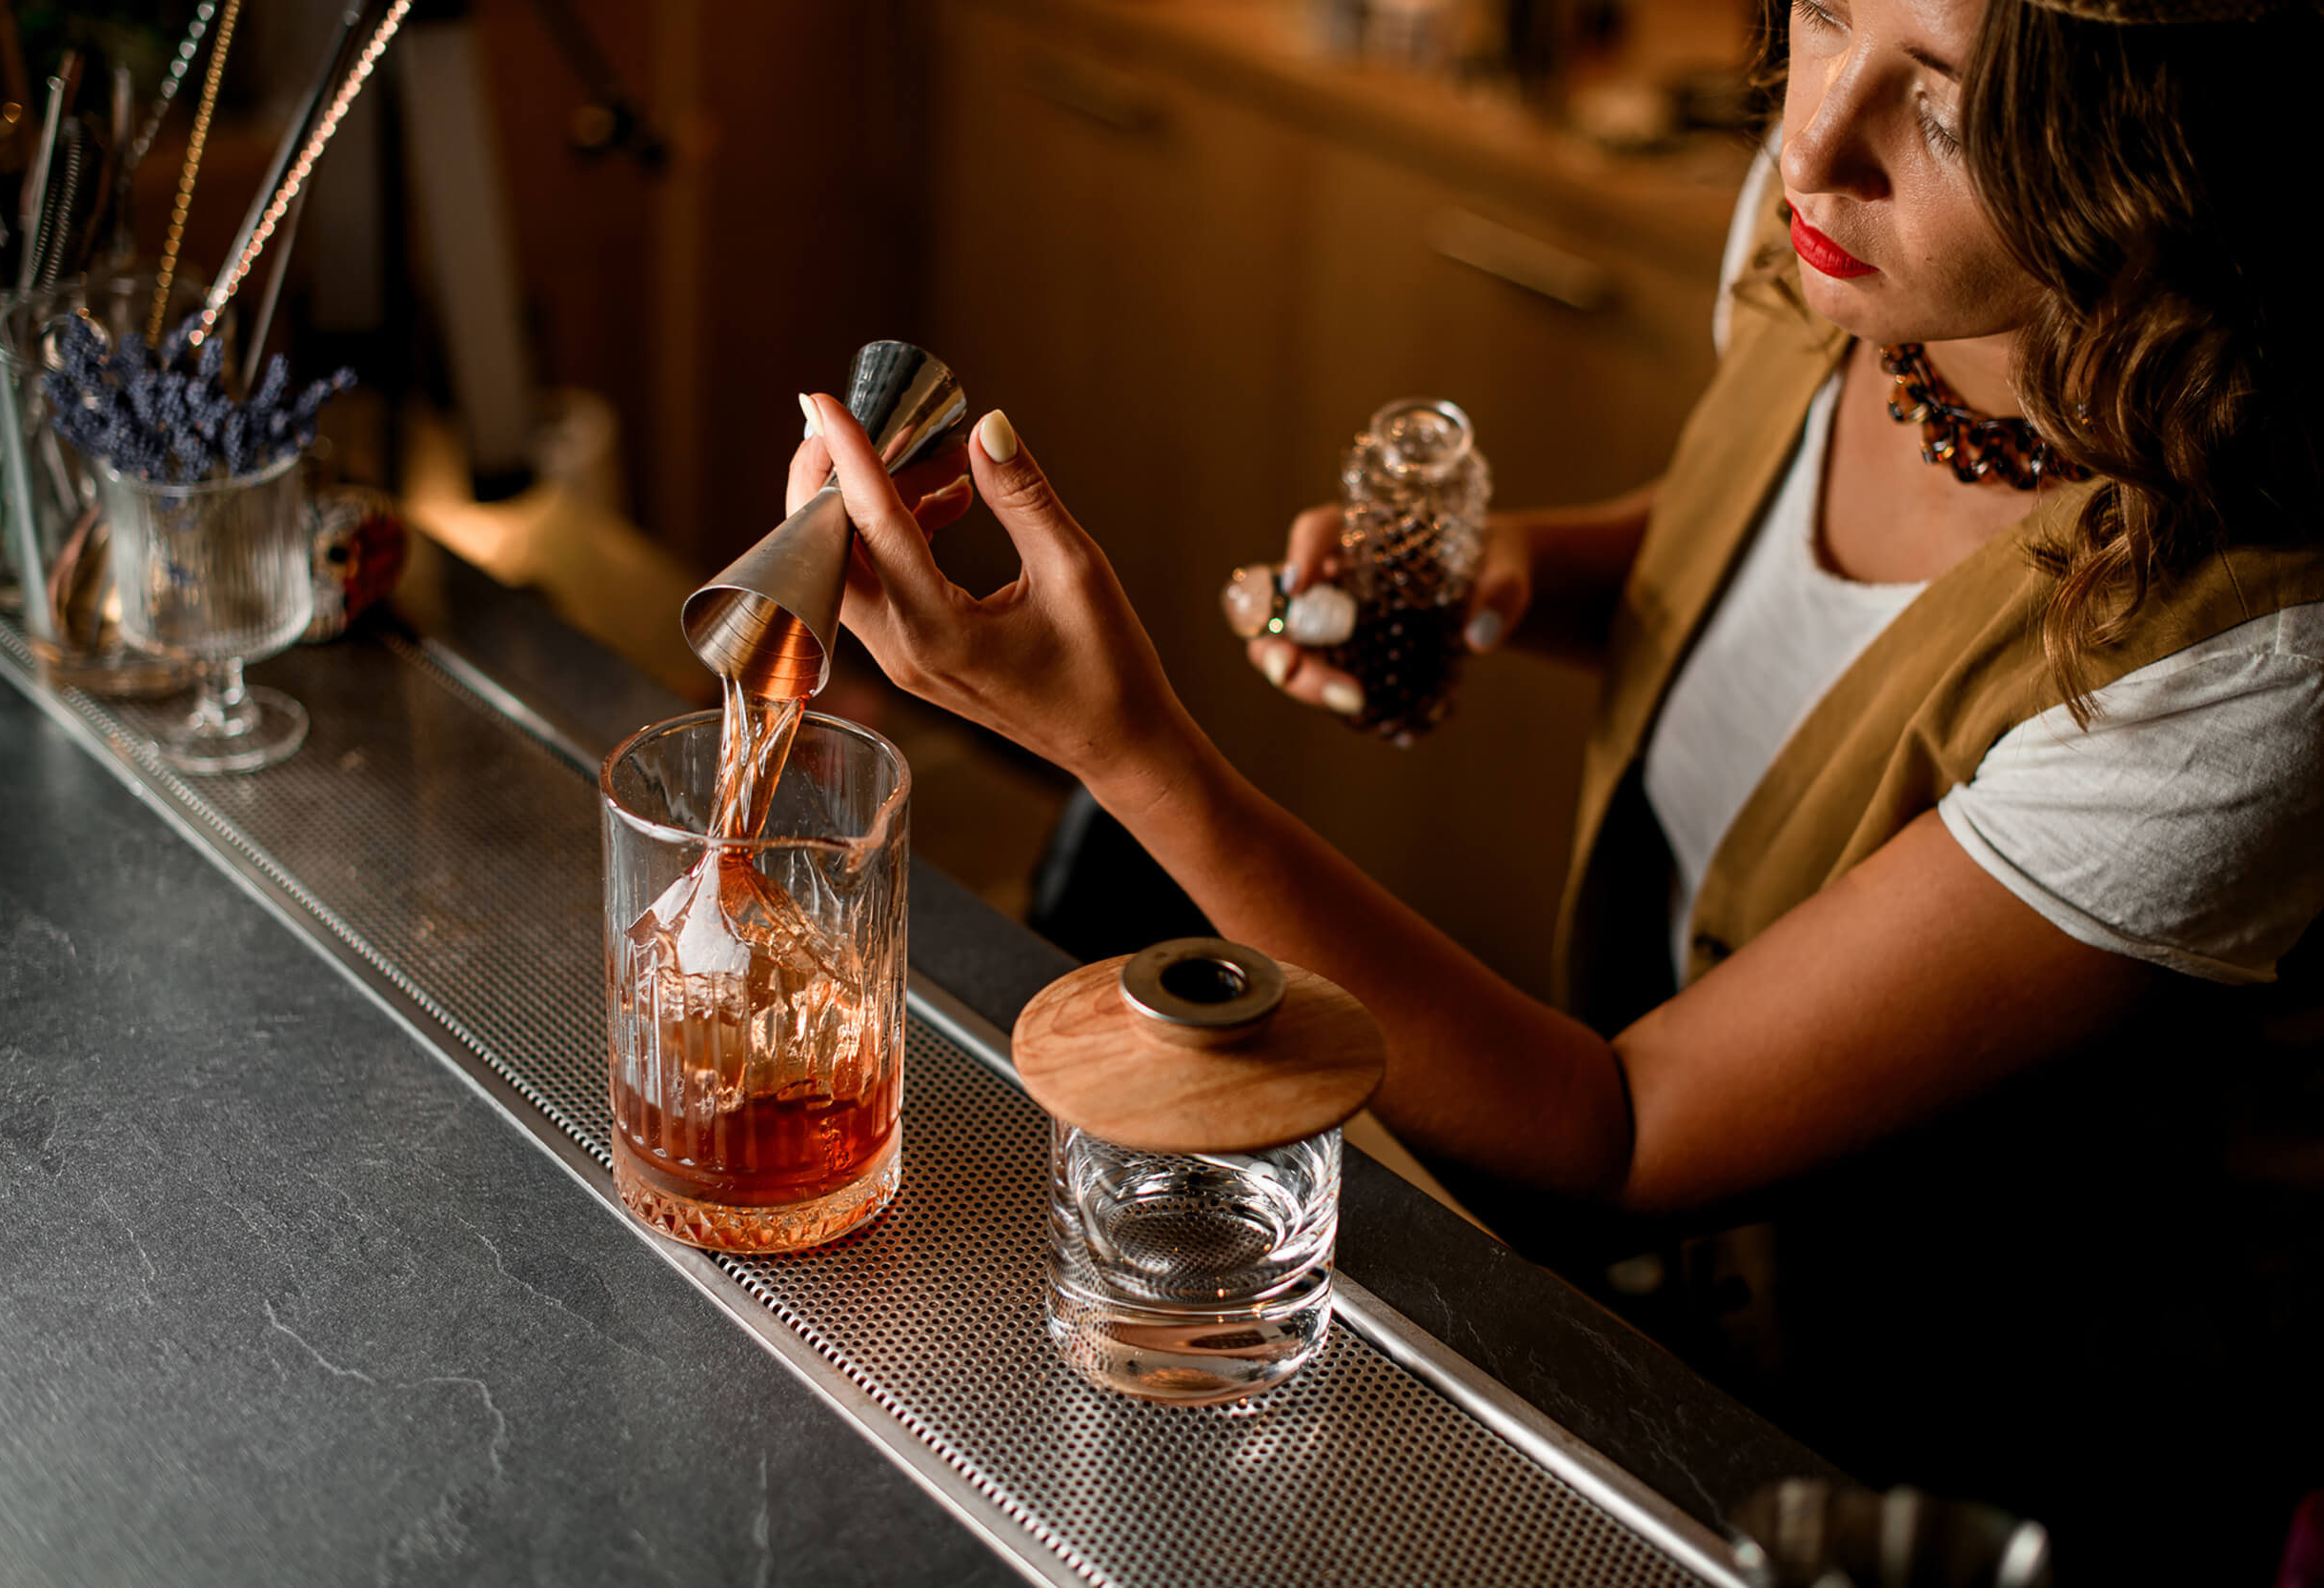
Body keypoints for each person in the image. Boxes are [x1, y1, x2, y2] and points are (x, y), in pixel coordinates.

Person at [793, 0, 2323, 1571]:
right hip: (1656, 1337)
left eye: (1943, 111)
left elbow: (1622, 1137)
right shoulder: (1857, 244)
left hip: (1931, 1483)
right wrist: (1517, 570)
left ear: (2161, 161)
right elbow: (1762, 532)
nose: (1810, 137)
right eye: (1826, 14)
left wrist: (1123, 750)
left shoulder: (2246, 670)